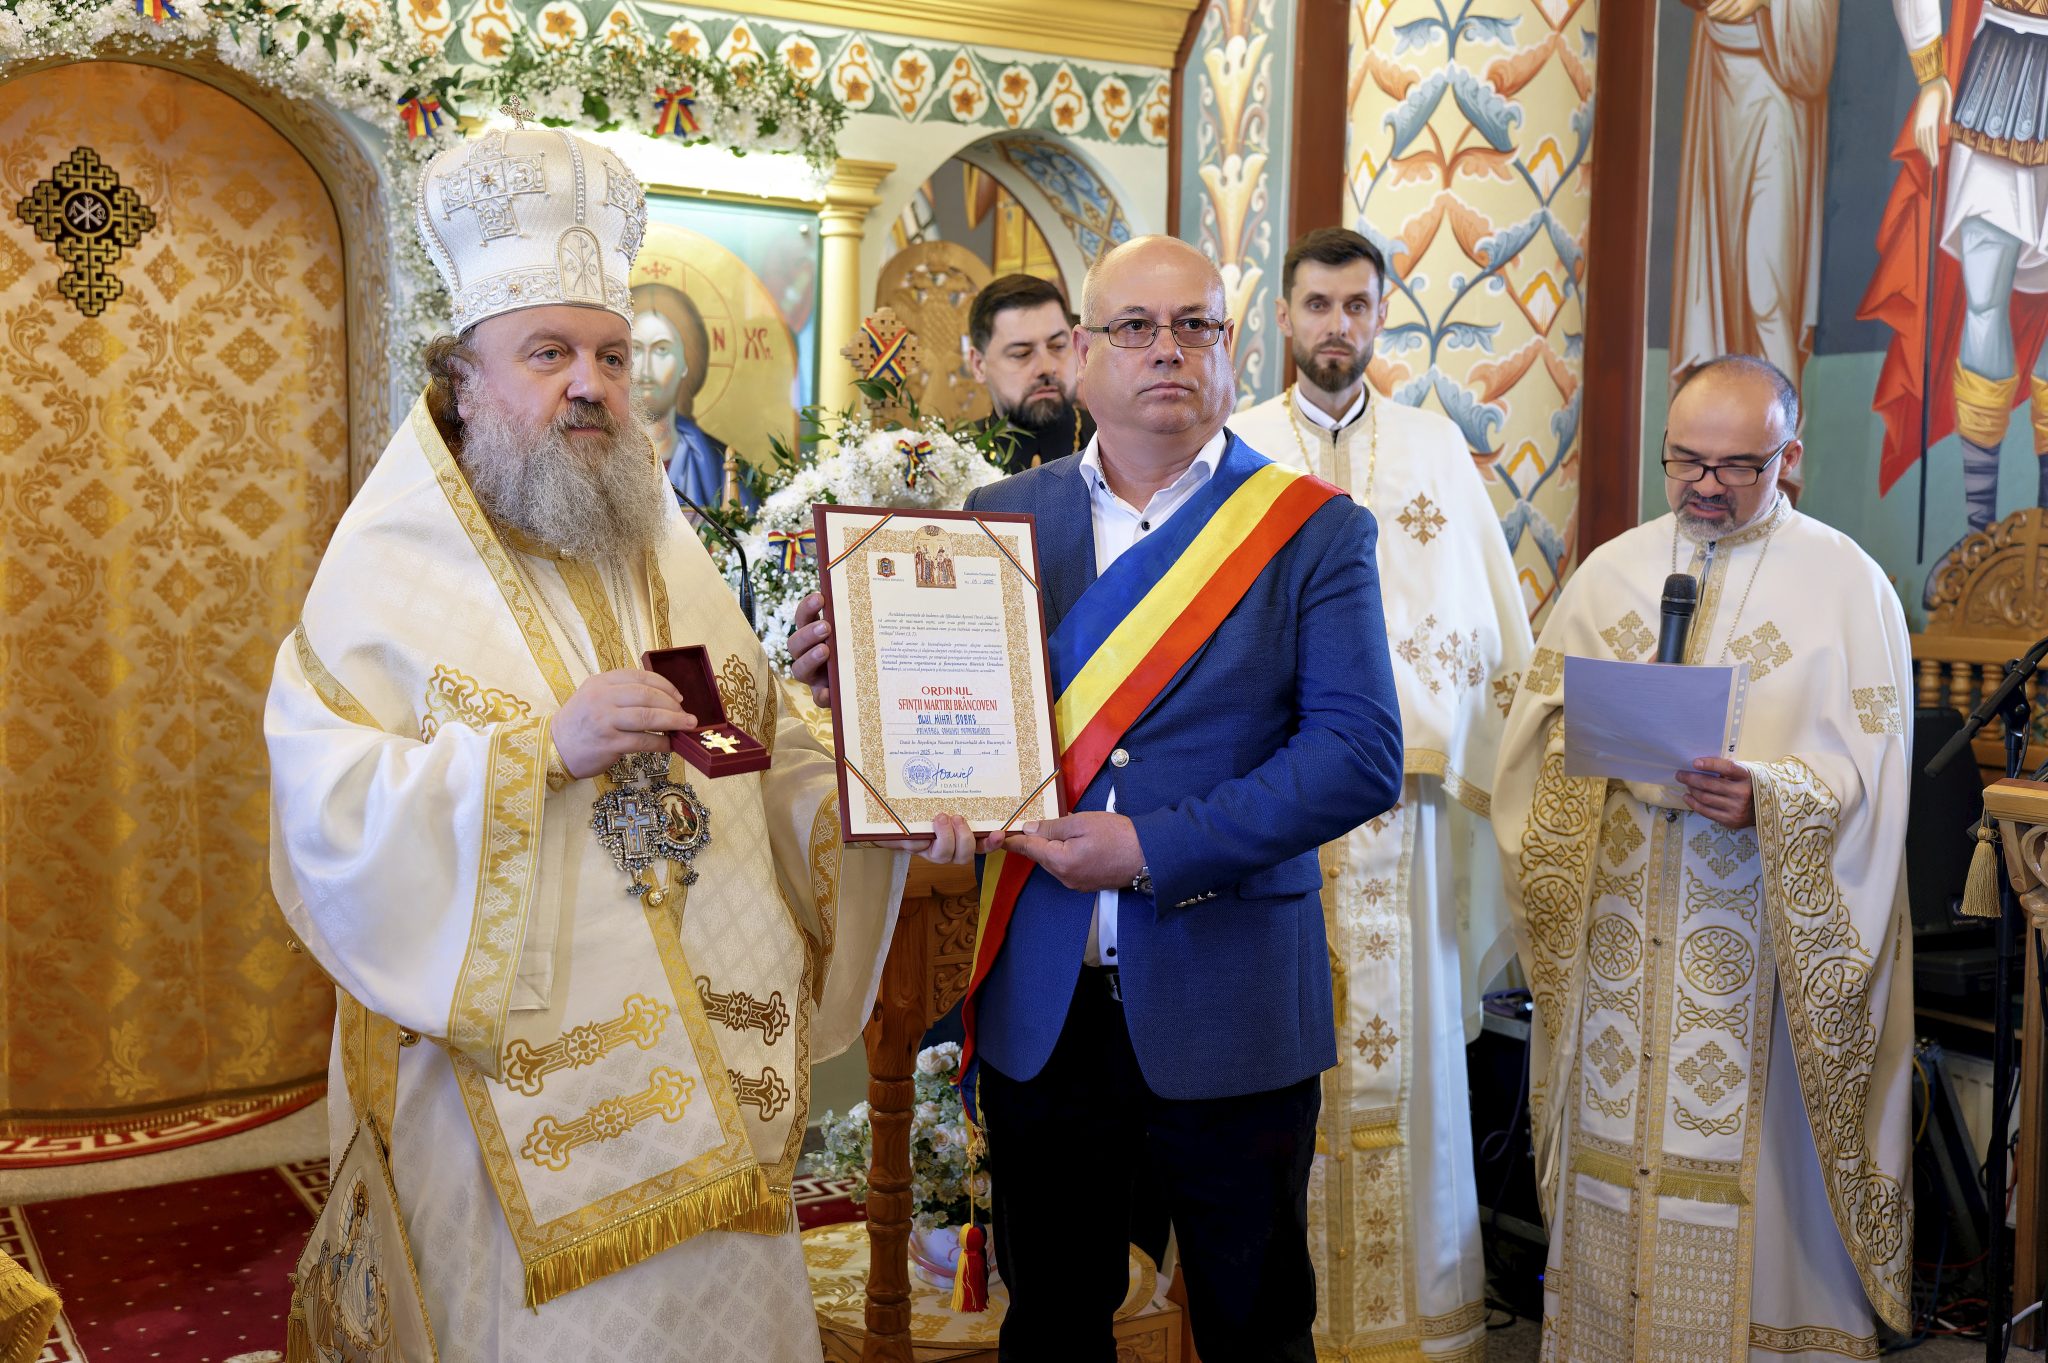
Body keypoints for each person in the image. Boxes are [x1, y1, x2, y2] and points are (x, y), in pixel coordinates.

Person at [267, 116, 976, 1360]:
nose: (589, 382)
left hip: (715, 1065)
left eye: (608, 352)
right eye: (546, 353)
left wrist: (868, 800)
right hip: (514, 1108)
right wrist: (541, 748)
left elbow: (751, 751)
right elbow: (329, 816)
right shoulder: (387, 567)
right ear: (464, 379)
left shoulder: (650, 538)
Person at [797, 235, 1404, 1361]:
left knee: (1256, 1328)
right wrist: (866, 688)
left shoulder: (1312, 530)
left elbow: (1357, 755)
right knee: (1052, 1325)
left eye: (1193, 325)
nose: (1165, 349)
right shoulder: (1000, 513)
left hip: (1230, 1001)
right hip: (1044, 1005)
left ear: (1230, 349)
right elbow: (959, 721)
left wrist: (1151, 846)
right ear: (1081, 353)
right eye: (1134, 326)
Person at [1493, 354, 1915, 1357]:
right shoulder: (1611, 572)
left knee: (1757, 1181)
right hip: (1620, 947)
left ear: (1789, 457)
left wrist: (1770, 796)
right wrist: (1594, 743)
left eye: (1737, 465)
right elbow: (1530, 744)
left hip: (1759, 965)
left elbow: (1876, 776)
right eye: (1685, 460)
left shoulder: (1846, 585)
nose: (1705, 485)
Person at [1232, 226, 1532, 1363]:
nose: (1336, 326)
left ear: (1379, 315)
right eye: (1317, 305)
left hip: (1403, 818)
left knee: (1411, 1073)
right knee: (1270, 1074)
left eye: (1356, 305)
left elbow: (1484, 629)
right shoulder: (1237, 446)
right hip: (1271, 813)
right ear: (1284, 316)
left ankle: (1416, 1329)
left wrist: (1457, 751)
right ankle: (1276, 1329)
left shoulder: (1432, 447)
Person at [1866, 0, 2048, 601]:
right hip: (2000, 72)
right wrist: (1930, 74)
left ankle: (2045, 530)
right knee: (1984, 304)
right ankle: (1981, 542)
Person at [1669, 0, 1837, 504]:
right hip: (1719, 82)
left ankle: (1778, 476)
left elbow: (1814, 55)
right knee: (1724, 288)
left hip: (1776, 98)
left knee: (1767, 288)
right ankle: (1718, 459)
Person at [630, 280, 757, 513]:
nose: (646, 369)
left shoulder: (724, 465)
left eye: (661, 349)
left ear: (685, 362)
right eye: (635, 349)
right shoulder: (598, 457)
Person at [966, 273, 1094, 474]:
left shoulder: (1116, 444)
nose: (1046, 367)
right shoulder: (948, 460)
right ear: (978, 365)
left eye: (1058, 346)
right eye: (1022, 354)